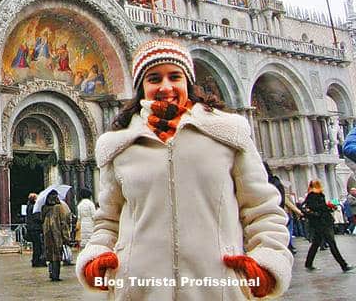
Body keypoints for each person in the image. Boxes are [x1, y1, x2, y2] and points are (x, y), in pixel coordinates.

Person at [77, 38, 293, 299]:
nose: (165, 87)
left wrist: (267, 264)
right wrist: (95, 259)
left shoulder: (228, 134)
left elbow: (263, 210)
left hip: (218, 288)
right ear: (141, 87)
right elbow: (108, 220)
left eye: (174, 76)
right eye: (154, 78)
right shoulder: (119, 145)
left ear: (188, 82)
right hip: (139, 290)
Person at [302, 180, 352, 272]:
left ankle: (308, 263)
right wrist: (326, 208)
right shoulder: (312, 195)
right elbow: (315, 207)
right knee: (331, 243)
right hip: (321, 222)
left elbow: (320, 207)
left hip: (323, 221)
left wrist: (329, 207)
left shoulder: (319, 194)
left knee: (316, 243)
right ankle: (343, 265)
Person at [42, 190, 72, 282]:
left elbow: (41, 219)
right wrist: (66, 237)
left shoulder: (44, 208)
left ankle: (51, 273)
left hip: (47, 235)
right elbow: (63, 223)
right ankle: (56, 275)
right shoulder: (59, 208)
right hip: (57, 235)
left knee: (50, 255)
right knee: (57, 256)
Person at [25, 193, 46, 267]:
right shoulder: (34, 207)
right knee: (38, 246)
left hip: (31, 229)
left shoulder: (28, 206)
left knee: (35, 246)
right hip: (35, 229)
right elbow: (37, 218)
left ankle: (35, 260)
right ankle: (37, 261)